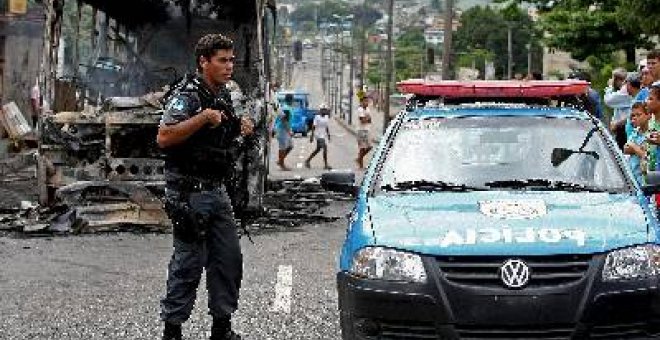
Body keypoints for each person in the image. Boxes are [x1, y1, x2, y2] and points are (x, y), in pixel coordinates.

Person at [156, 34, 254, 340]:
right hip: (188, 193)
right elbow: (164, 137)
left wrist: (241, 127)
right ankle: (172, 330)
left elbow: (224, 136)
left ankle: (221, 328)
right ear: (204, 62)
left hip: (217, 190)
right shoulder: (188, 96)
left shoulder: (224, 95)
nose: (229, 66)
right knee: (188, 262)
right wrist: (202, 118)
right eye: (222, 60)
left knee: (228, 259)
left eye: (232, 60)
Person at [623, 102, 651, 185]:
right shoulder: (636, 131)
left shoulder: (652, 133)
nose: (635, 118)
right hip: (633, 178)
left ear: (648, 115)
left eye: (639, 115)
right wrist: (638, 149)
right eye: (633, 116)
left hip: (644, 179)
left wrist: (634, 147)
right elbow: (626, 149)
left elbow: (646, 156)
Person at [304, 103, 331, 169]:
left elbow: (326, 126)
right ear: (320, 110)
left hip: (323, 134)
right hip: (318, 135)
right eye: (323, 110)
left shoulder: (326, 117)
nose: (324, 111)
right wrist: (312, 136)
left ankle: (307, 161)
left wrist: (328, 134)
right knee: (325, 147)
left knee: (318, 149)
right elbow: (313, 127)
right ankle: (326, 164)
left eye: (325, 110)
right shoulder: (317, 117)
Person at [355, 96, 373, 169]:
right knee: (362, 148)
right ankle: (361, 165)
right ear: (361, 102)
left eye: (367, 101)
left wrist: (367, 119)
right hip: (361, 130)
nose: (366, 103)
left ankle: (358, 159)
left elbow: (370, 120)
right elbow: (363, 121)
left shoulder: (368, 109)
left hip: (367, 129)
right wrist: (367, 119)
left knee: (369, 147)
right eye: (365, 101)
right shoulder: (360, 110)